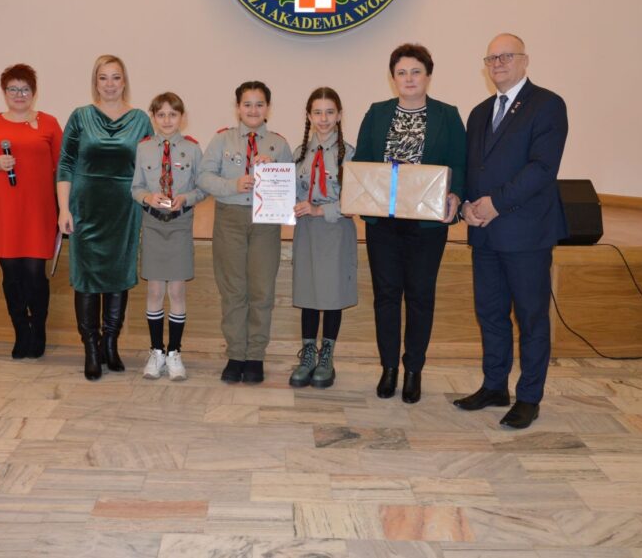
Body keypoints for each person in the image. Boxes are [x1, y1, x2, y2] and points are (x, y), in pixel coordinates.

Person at [455, 33, 569, 429]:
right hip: (485, 233)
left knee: (531, 318)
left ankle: (529, 396)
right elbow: (474, 169)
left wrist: (496, 203)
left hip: (525, 233)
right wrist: (467, 205)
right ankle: (494, 385)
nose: (498, 63)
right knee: (490, 313)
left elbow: (541, 169)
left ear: (525, 60)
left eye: (506, 56)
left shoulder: (548, 105)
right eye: (491, 58)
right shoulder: (479, 112)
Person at [353, 44, 465, 404]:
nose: (409, 79)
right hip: (383, 224)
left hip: (427, 226)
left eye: (416, 71)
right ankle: (388, 368)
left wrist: (456, 196)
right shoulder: (377, 112)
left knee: (420, 297)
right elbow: (362, 162)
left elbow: (460, 164)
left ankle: (414, 369)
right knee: (386, 297)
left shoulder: (448, 115)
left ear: (428, 76)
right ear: (393, 78)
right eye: (401, 72)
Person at [57, 55, 152, 380]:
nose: (110, 84)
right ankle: (92, 348)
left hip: (125, 209)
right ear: (95, 82)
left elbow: (151, 165)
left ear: (124, 81)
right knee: (86, 278)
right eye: (103, 78)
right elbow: (66, 164)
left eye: (115, 77)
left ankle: (111, 343)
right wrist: (63, 209)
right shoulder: (81, 117)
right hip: (85, 207)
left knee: (118, 274)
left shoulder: (140, 119)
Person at [198, 81, 293, 384]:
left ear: (268, 108)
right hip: (230, 218)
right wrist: (232, 185)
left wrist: (274, 167)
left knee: (262, 291)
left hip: (266, 223)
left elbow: (291, 186)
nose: (253, 110)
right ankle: (236, 354)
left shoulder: (279, 145)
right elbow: (203, 177)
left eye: (260, 104)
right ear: (237, 107)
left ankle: (255, 356)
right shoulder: (222, 141)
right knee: (233, 290)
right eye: (247, 104)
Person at [0, 64, 62, 359]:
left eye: (25, 89)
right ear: (4, 92)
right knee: (11, 274)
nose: (19, 95)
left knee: (35, 273)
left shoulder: (48, 123)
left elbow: (63, 167)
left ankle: (39, 330)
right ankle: (21, 330)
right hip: (4, 210)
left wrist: (66, 208)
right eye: (13, 89)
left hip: (39, 210)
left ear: (34, 92)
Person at [131, 92, 206, 380]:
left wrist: (185, 198)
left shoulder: (192, 150)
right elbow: (134, 187)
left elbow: (202, 189)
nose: (166, 120)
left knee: (176, 291)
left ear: (181, 118)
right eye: (160, 114)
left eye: (172, 115)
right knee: (154, 291)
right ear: (153, 117)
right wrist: (148, 196)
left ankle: (174, 352)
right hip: (152, 225)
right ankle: (156, 351)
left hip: (179, 225)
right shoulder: (144, 149)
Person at [289, 87, 357, 390]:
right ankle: (307, 356)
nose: (323, 118)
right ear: (308, 115)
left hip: (335, 230)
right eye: (317, 112)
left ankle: (326, 356)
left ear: (339, 115)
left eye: (330, 112)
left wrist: (320, 209)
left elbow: (356, 201)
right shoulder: (299, 153)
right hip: (306, 231)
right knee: (308, 291)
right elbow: (287, 191)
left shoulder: (351, 154)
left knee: (330, 295)